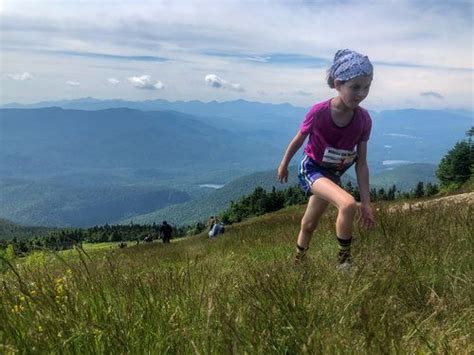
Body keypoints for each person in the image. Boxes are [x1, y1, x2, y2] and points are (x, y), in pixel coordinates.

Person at [277, 49, 375, 269]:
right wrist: (284, 165)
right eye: (355, 87)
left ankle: (298, 262)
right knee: (348, 203)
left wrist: (367, 203)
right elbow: (298, 140)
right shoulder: (319, 112)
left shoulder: (364, 119)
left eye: (367, 86)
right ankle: (344, 263)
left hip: (332, 175)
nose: (361, 93)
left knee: (309, 224)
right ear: (337, 84)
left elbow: (361, 163)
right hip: (311, 169)